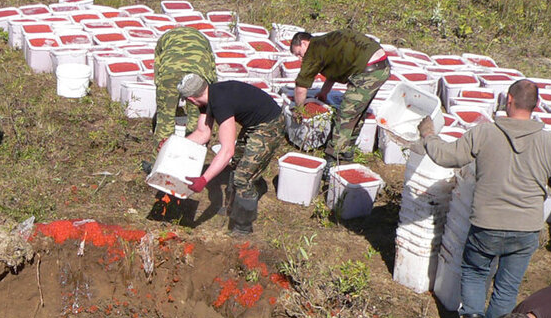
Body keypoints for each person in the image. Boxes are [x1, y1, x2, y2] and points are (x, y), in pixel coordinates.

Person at [412, 79, 551, 318]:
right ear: (535, 107)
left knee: (476, 273)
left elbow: (445, 156)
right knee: (506, 287)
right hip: (526, 231)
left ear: (508, 101)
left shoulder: (485, 133)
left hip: (486, 226)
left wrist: (429, 134)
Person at [178, 74, 285, 237]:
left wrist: (203, 180)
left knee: (243, 177)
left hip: (270, 125)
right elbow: (202, 133)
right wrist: (173, 148)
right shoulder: (209, 95)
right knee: (236, 164)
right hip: (254, 124)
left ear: (191, 99)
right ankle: (233, 207)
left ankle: (243, 226)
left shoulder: (220, 102)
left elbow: (227, 150)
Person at [288, 28, 389, 165]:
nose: (300, 59)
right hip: (381, 66)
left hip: (368, 69)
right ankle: (347, 151)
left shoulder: (313, 50)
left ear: (304, 43)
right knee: (357, 112)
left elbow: (301, 87)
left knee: (345, 115)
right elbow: (334, 70)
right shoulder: (325, 43)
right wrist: (324, 92)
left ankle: (333, 159)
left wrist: (299, 110)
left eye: (299, 53)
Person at [152, 28, 215, 142]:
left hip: (170, 72)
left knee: (165, 120)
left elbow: (157, 66)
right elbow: (212, 67)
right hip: (198, 75)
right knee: (196, 118)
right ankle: (192, 152)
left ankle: (162, 155)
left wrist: (162, 94)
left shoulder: (164, 38)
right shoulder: (203, 38)